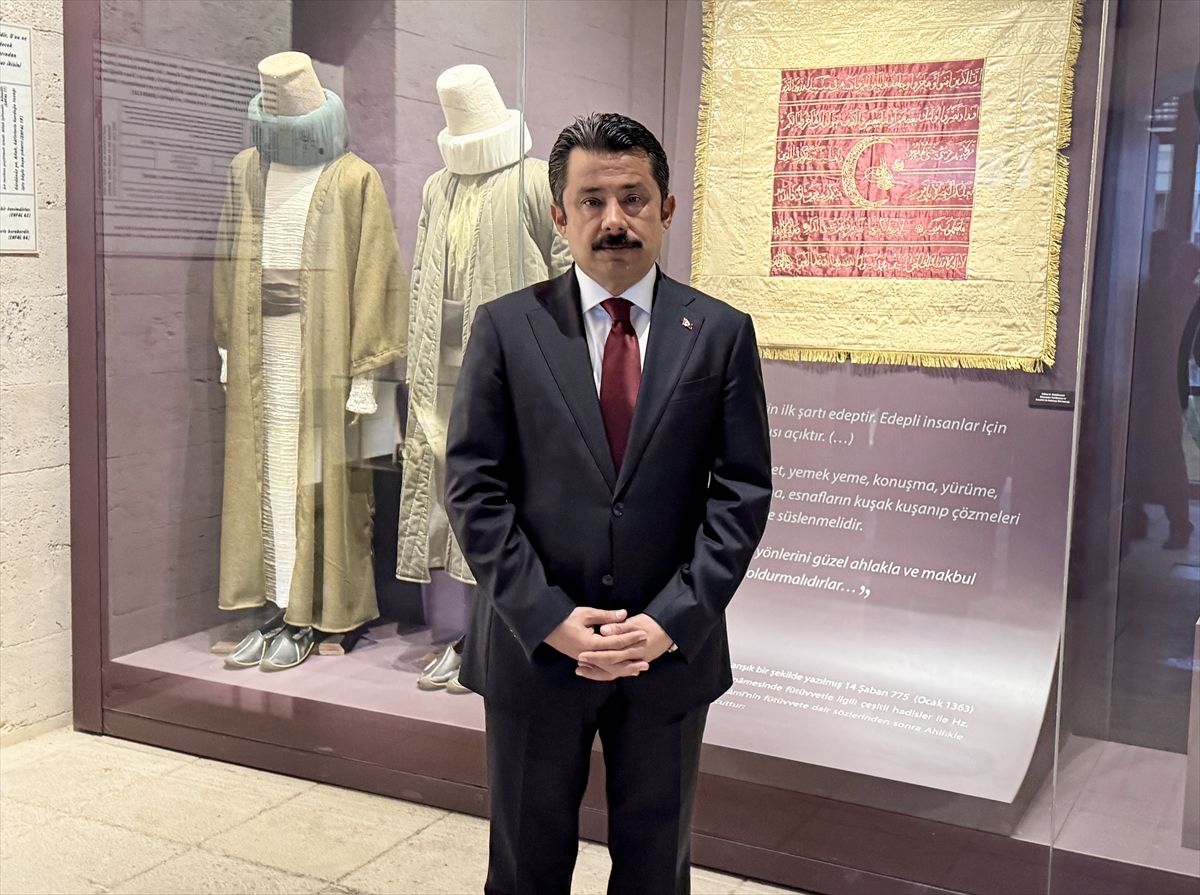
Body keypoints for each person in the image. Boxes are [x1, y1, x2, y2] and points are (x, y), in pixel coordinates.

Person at [445, 112, 772, 895]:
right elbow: (473, 487)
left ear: (666, 208)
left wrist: (670, 620)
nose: (613, 219)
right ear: (560, 215)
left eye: (633, 198)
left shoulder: (720, 333)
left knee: (656, 868)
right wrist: (549, 616)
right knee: (525, 868)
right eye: (592, 201)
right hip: (535, 649)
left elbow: (742, 492)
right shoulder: (507, 328)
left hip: (668, 653)